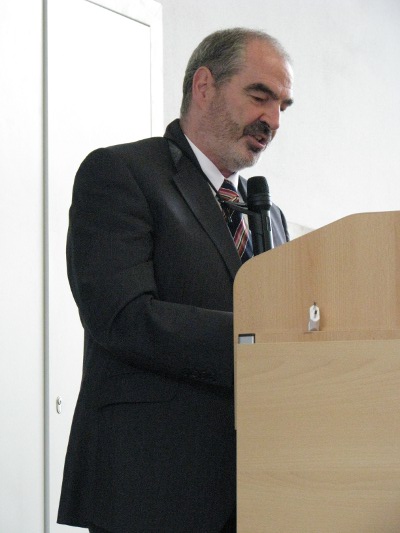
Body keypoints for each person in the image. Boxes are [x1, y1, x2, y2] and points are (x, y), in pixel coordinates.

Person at [57, 27, 294, 533]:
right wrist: (257, 342)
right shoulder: (121, 173)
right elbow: (122, 317)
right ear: (204, 85)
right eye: (260, 96)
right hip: (150, 487)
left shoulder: (267, 214)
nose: (273, 120)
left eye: (283, 106)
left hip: (257, 491)